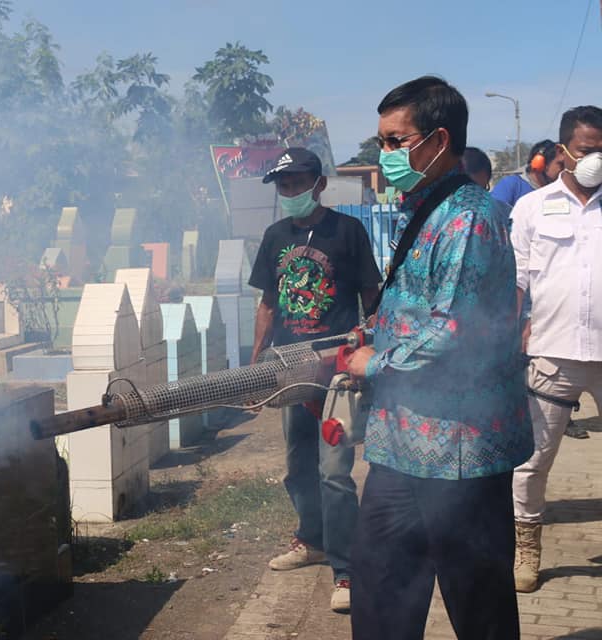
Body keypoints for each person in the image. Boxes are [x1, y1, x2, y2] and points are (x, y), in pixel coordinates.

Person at [345, 76, 533, 639]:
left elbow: (455, 332)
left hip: (461, 450)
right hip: (401, 441)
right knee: (379, 584)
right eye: (381, 142)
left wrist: (374, 364)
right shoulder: (422, 206)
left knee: (477, 597)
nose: (386, 155)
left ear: (439, 139)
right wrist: (373, 333)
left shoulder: (471, 217)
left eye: (396, 142)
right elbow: (418, 307)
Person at [248, 147, 381, 613]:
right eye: (283, 186)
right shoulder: (274, 236)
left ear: (319, 184)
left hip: (338, 370)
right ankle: (312, 540)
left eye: (297, 184)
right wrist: (257, 359)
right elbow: (268, 301)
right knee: (298, 463)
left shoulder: (347, 231)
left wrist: (371, 345)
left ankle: (347, 570)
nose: (289, 193)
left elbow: (371, 293)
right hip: (290, 367)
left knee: (335, 471)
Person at [510, 105, 602, 593]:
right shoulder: (531, 207)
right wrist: (509, 338)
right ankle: (527, 547)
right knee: (533, 459)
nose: (597, 159)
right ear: (564, 151)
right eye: (589, 150)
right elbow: (518, 281)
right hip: (552, 352)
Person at [492, 139, 565, 207]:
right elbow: (493, 216)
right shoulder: (511, 185)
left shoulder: (558, 192)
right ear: (540, 163)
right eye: (561, 164)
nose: (564, 169)